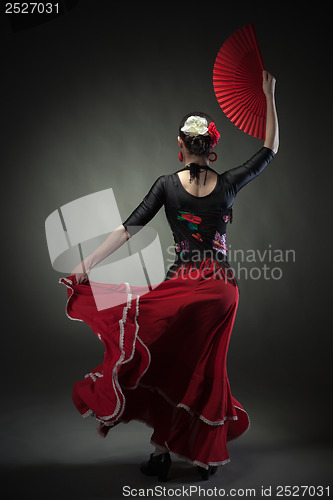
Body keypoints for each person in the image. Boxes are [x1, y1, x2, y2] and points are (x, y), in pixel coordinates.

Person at [63, 70, 278, 481]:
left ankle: (161, 454)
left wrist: (88, 263)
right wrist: (268, 95)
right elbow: (270, 149)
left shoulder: (165, 185)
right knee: (208, 369)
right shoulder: (230, 181)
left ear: (181, 145)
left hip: (183, 286)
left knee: (164, 363)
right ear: (212, 146)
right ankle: (204, 459)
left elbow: (129, 228)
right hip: (222, 291)